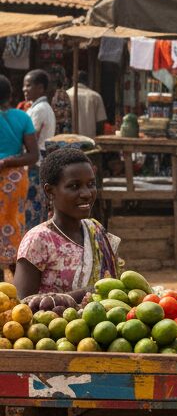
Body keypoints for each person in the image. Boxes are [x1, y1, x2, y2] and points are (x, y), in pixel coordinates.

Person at [14, 147, 119, 300]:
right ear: (50, 191)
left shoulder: (96, 230)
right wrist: (85, 294)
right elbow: (20, 305)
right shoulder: (39, 240)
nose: (86, 194)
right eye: (74, 186)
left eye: (90, 184)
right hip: (52, 324)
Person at [0, 75, 38, 274]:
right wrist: (8, 162)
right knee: (14, 224)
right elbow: (33, 155)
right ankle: (17, 280)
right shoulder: (23, 117)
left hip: (8, 177)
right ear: (10, 94)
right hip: (15, 179)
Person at [22, 69, 56, 231]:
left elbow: (31, 139)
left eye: (28, 85)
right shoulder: (40, 107)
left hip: (36, 162)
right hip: (40, 160)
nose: (24, 89)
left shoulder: (40, 109)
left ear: (41, 88)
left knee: (33, 207)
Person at [67, 71, 108, 138]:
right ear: (87, 81)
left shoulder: (66, 95)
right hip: (90, 142)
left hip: (70, 141)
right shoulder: (96, 96)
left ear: (73, 81)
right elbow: (100, 124)